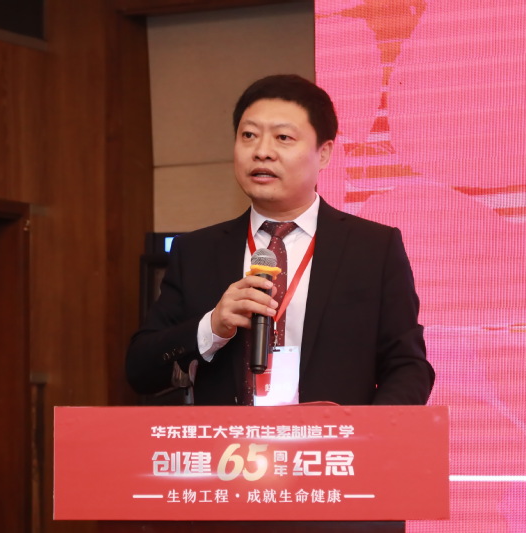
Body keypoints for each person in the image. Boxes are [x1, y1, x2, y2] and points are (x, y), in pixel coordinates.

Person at [126, 74, 434, 406]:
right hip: (230, 441)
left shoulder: (373, 249)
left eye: (283, 137)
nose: (262, 152)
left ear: (324, 153)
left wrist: (367, 432)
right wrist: (211, 327)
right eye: (249, 136)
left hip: (331, 440)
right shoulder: (196, 252)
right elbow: (140, 369)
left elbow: (408, 366)